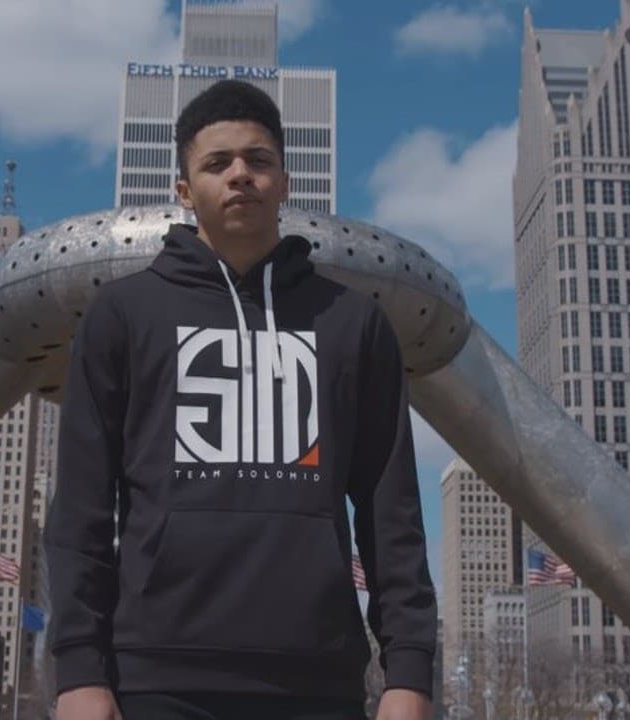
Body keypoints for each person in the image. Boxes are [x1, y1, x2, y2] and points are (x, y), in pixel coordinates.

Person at [46, 79, 436, 720]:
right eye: (217, 163)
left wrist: (409, 673)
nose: (240, 176)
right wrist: (79, 674)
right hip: (154, 679)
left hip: (319, 681)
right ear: (183, 190)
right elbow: (83, 509)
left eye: (258, 161)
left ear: (284, 181)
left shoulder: (352, 324)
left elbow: (390, 513)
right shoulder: (122, 315)